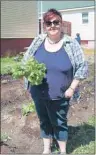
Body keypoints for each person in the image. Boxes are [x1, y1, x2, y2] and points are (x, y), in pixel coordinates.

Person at [22, 8, 88, 154]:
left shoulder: (70, 43)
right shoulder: (38, 41)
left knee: (59, 122)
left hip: (61, 94)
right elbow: (26, 61)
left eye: (56, 22)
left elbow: (82, 67)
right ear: (44, 25)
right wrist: (28, 74)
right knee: (44, 120)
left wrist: (72, 88)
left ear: (61, 23)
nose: (52, 25)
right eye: (48, 22)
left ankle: (63, 151)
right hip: (38, 92)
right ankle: (46, 149)